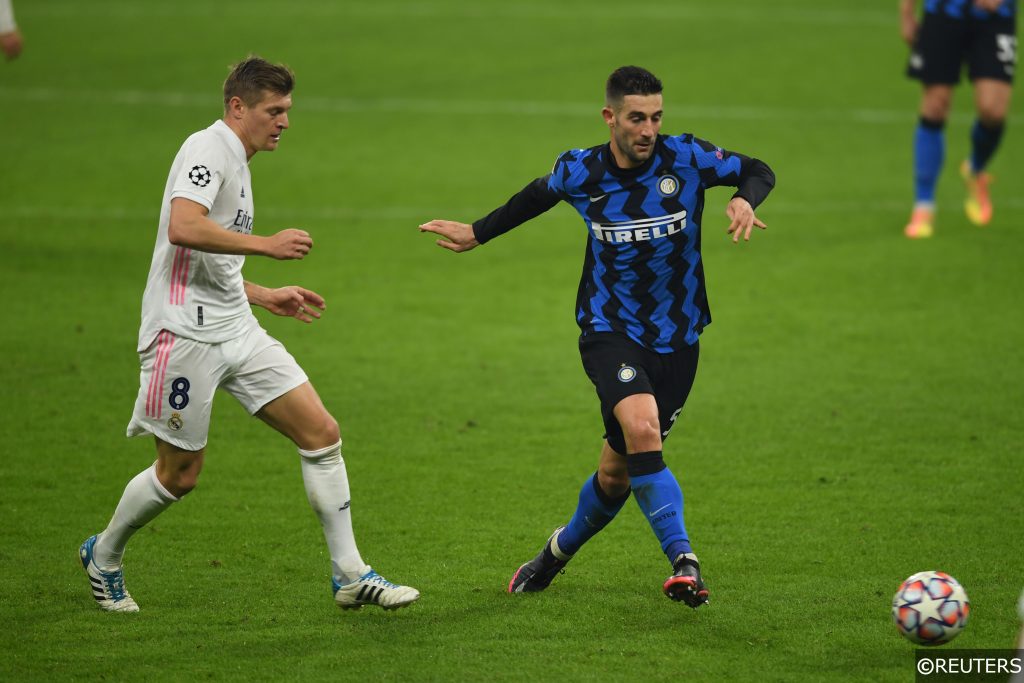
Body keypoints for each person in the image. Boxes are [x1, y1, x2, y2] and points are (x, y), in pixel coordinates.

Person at [419, 66, 775, 607]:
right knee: (643, 427)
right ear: (610, 117)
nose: (648, 130)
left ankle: (554, 554)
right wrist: (477, 232)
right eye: (636, 118)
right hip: (610, 329)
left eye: (656, 117)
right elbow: (537, 195)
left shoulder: (688, 157)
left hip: (680, 336)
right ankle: (684, 561)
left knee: (616, 475)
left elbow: (757, 169)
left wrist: (746, 199)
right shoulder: (581, 170)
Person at [79, 56, 418, 613]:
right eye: (273, 110)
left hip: (236, 325)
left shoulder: (238, 159)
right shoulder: (208, 149)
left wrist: (262, 294)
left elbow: (208, 261)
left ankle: (350, 574)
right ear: (238, 107)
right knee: (180, 475)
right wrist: (266, 244)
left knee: (321, 434)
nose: (284, 121)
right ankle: (105, 554)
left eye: (286, 110)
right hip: (183, 336)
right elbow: (183, 226)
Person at [901, 0, 1017, 239]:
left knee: (993, 111)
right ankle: (924, 204)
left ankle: (975, 168)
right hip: (943, 12)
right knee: (934, 106)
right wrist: (907, 12)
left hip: (996, 16)